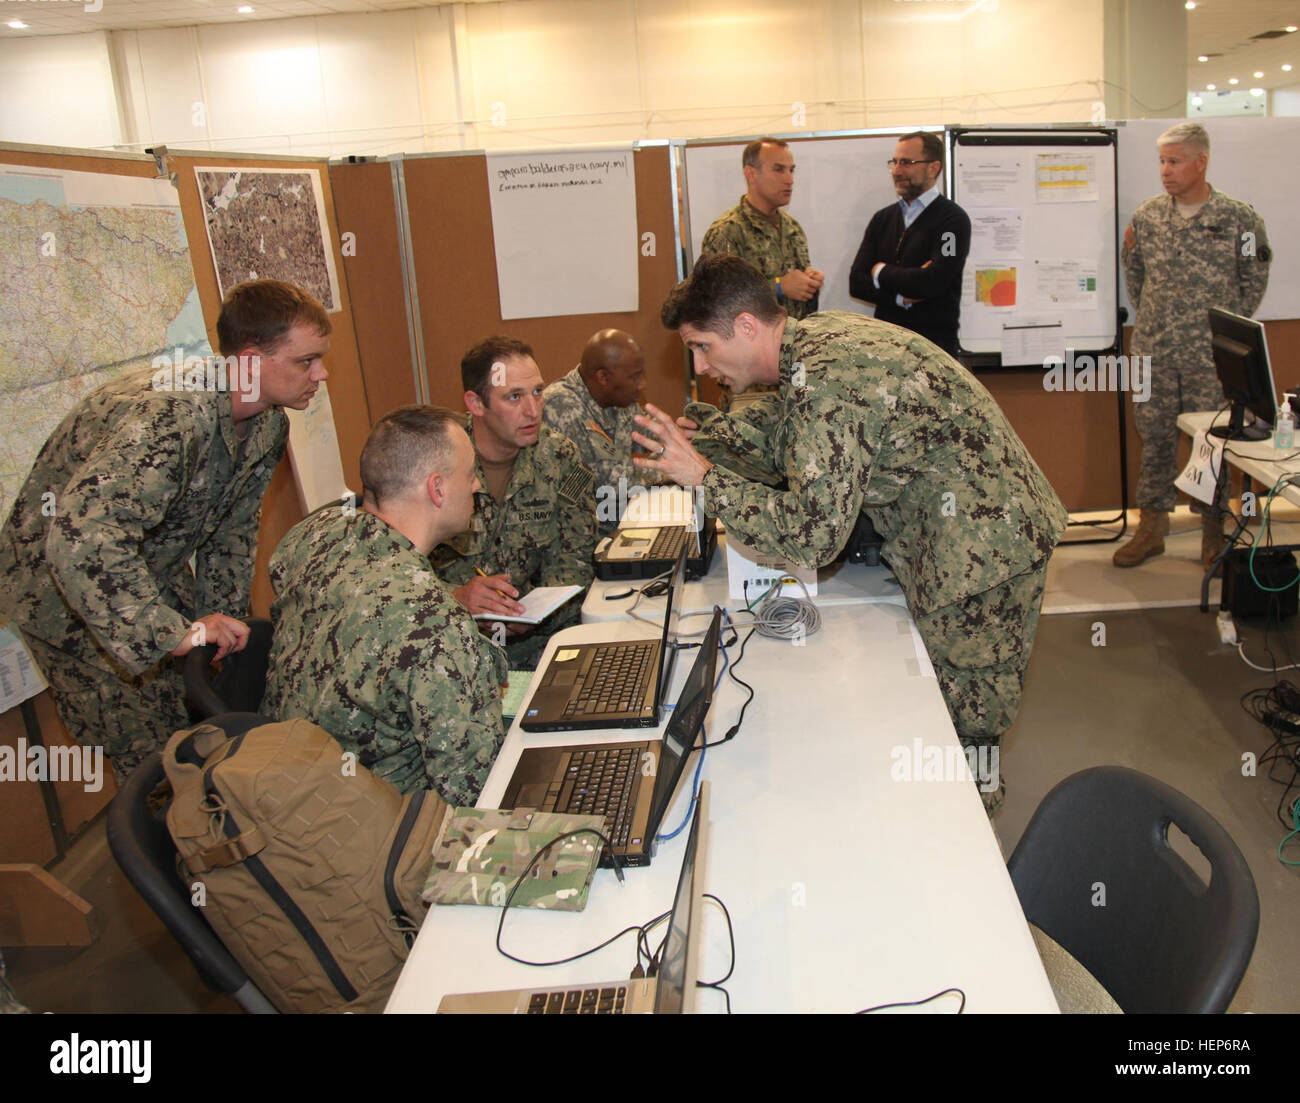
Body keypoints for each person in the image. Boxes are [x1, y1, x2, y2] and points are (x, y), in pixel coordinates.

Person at [632, 255, 1066, 813]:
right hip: (959, 537)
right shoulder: (812, 348)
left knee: (962, 729)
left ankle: (973, 854)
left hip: (986, 551)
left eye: (702, 347)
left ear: (745, 326)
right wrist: (712, 437)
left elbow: (813, 535)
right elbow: (794, 440)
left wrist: (701, 476)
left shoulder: (830, 376)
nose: (699, 364)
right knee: (938, 716)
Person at [0, 279, 330, 778]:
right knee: (153, 752)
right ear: (248, 362)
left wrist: (220, 629)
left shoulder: (266, 422)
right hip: (61, 590)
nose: (321, 374)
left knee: (196, 717)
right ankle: (176, 843)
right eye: (306, 360)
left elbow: (231, 535)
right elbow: (79, 540)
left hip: (141, 564)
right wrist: (171, 633)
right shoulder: (171, 417)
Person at [262, 406, 507, 805]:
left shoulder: (308, 536)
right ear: (437, 489)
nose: (477, 485)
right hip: (376, 829)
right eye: (469, 474)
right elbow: (477, 792)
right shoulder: (436, 623)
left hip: (282, 791)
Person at [1114, 122, 1272, 570]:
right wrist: (1158, 323)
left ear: (1201, 162)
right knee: (1155, 436)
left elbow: (1253, 279)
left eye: (1175, 161)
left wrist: (1220, 332)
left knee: (1211, 440)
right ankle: (1152, 526)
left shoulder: (1238, 219)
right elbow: (1136, 275)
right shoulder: (1147, 217)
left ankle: (1210, 528)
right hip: (1154, 351)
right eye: (1162, 161)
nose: (1165, 170)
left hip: (1210, 357)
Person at [432, 336, 597, 670]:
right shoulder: (433, 463)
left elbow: (575, 559)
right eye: (514, 397)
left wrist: (538, 612)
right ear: (476, 403)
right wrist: (456, 597)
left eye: (537, 392)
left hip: (540, 644)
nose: (533, 410)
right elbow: (401, 570)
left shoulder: (561, 457)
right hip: (456, 649)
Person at [849, 131, 971, 358]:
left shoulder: (953, 222)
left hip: (933, 353)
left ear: (933, 168)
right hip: (885, 348)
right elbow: (857, 282)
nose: (896, 171)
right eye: (894, 163)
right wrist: (900, 297)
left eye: (906, 163)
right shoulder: (882, 219)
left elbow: (934, 282)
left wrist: (880, 271)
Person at [541, 329, 668, 535]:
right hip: (582, 539)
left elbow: (651, 433)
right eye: (634, 376)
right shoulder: (562, 407)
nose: (642, 383)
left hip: (621, 520)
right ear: (603, 377)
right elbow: (611, 482)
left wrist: (686, 439)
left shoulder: (617, 398)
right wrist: (673, 467)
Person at [700, 137, 824, 321]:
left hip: (793, 343)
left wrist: (809, 283)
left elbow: (800, 301)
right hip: (749, 348)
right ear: (751, 174)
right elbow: (715, 300)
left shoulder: (792, 228)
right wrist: (779, 287)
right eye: (779, 169)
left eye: (791, 170)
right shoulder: (727, 231)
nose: (789, 179)